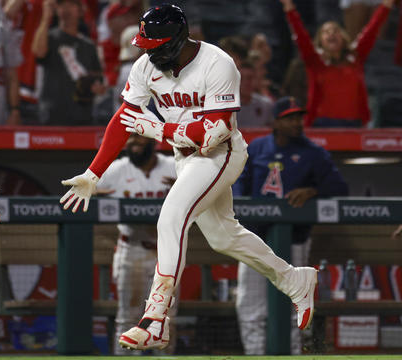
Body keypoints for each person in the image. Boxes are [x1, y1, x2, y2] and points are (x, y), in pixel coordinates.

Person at [59, 5, 318, 351]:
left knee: (171, 217)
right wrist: (94, 172)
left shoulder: (218, 63)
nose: (148, 52)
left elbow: (216, 132)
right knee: (225, 237)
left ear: (177, 41)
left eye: (156, 46)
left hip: (221, 154)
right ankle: (294, 279)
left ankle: (155, 318)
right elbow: (125, 119)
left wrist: (160, 130)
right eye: (145, 45)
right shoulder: (143, 66)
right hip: (185, 158)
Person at [232, 96, 349, 355]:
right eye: (290, 118)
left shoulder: (313, 153)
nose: (297, 123)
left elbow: (340, 188)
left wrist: (312, 191)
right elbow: (238, 186)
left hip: (293, 240)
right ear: (275, 121)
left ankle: (293, 354)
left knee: (294, 304)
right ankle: (255, 354)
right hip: (255, 238)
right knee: (250, 305)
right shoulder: (258, 148)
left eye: (299, 117)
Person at [95, 134, 177, 355]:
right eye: (129, 138)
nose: (132, 142)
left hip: (166, 251)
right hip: (132, 247)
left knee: (166, 318)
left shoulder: (173, 166)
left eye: (138, 137)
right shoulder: (116, 169)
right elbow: (84, 189)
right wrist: (97, 193)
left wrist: (183, 186)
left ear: (153, 142)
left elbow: (207, 187)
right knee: (128, 316)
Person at [280, 0, 394, 127]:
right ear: (320, 41)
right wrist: (288, 6)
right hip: (322, 124)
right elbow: (300, 35)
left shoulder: (356, 58)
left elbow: (372, 29)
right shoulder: (315, 61)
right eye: (326, 32)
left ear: (343, 37)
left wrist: (386, 5)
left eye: (335, 31)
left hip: (354, 123)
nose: (331, 34)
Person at [32, 0, 105, 125]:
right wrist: (45, 18)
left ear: (80, 10)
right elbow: (38, 52)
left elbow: (99, 80)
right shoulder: (49, 37)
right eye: (61, 4)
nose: (66, 9)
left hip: (82, 115)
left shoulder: (89, 46)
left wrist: (97, 88)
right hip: (52, 114)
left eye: (71, 4)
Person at [237, 60, 274, 127]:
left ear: (256, 80)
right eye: (241, 78)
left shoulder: (266, 105)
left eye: (249, 78)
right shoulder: (226, 107)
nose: (246, 83)